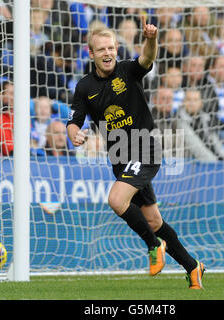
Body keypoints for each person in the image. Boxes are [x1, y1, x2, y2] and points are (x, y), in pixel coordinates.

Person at [66, 18, 205, 289]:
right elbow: (74, 119)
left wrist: (151, 38)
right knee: (153, 220)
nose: (107, 53)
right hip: (119, 158)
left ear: (116, 50)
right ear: (91, 53)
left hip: (145, 147)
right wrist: (74, 133)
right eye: (101, 49)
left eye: (111, 48)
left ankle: (154, 247)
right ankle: (192, 266)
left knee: (117, 200)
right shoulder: (84, 87)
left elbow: (147, 58)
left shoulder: (128, 70)